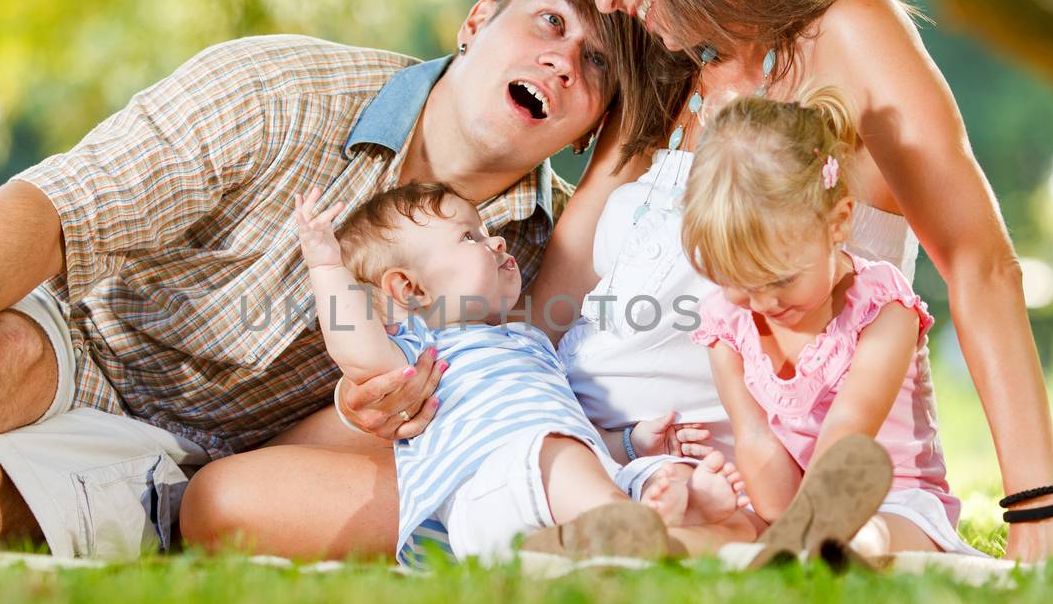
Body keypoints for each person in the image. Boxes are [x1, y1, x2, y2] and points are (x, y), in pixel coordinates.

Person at [0, 0, 616, 561]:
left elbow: (362, 447)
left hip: (170, 456)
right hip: (68, 321)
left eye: (600, 61)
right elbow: (55, 200)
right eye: (548, 21)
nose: (567, 59)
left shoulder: (537, 259)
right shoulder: (283, 89)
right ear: (476, 20)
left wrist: (355, 411)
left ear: (595, 120)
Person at [536, 0, 1053, 562]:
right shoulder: (659, 83)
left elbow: (979, 262)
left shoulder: (852, 37)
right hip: (631, 469)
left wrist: (1037, 513)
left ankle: (807, 540)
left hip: (784, 481)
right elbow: (553, 305)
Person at [285, 181, 746, 563]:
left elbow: (569, 429)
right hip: (485, 494)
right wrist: (326, 266)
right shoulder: (419, 348)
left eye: (485, 231)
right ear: (410, 287)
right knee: (553, 454)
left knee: (654, 469)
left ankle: (680, 511)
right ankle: (626, 524)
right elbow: (359, 354)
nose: (496, 241)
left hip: (551, 483)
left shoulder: (529, 343)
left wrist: (631, 443)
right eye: (470, 237)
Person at [680, 87, 991, 560]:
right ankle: (651, 540)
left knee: (871, 535)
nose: (761, 302)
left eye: (780, 279)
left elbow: (848, 432)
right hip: (791, 506)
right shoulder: (728, 325)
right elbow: (757, 440)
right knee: (733, 525)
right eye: (737, 281)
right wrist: (772, 518)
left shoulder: (884, 311)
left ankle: (833, 553)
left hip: (893, 501)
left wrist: (808, 522)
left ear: (837, 223)